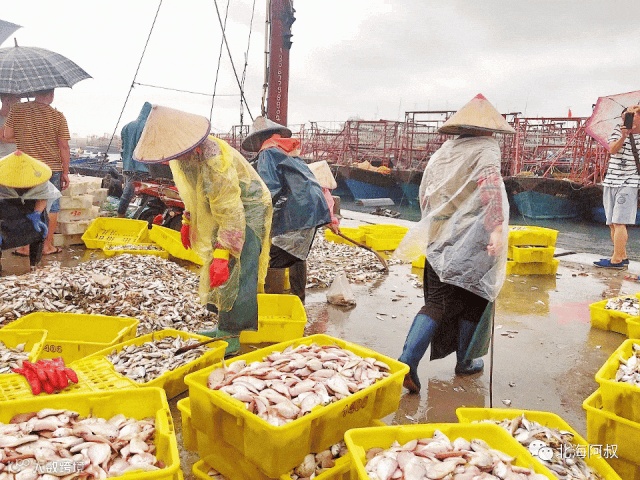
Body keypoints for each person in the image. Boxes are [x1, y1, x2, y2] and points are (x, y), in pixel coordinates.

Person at [395, 94, 512, 393]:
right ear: (489, 128)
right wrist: (497, 229)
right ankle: (465, 361)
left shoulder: (444, 151)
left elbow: (426, 193)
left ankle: (407, 360)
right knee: (474, 299)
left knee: (437, 302)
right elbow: (490, 186)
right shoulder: (487, 148)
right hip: (474, 239)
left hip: (439, 236)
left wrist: (434, 225)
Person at [133, 105, 273, 354]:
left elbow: (231, 210)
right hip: (225, 208)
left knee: (237, 268)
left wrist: (224, 252)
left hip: (248, 208)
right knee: (217, 267)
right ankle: (222, 326)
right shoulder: (184, 158)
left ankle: (232, 335)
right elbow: (193, 192)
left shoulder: (214, 160)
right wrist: (187, 220)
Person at [243, 116, 333, 304]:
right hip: (312, 209)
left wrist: (254, 216)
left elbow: (270, 189)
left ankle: (268, 302)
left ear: (260, 139)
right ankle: (298, 301)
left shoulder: (268, 153)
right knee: (297, 254)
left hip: (298, 211)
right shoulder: (287, 152)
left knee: (268, 258)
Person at [4, 89, 70, 256]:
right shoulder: (58, 116)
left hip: (25, 167)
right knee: (51, 206)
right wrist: (65, 172)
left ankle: (25, 246)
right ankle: (46, 246)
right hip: (50, 167)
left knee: (25, 204)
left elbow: (7, 135)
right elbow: (63, 146)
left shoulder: (17, 110)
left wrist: (25, 136)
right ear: (51, 95)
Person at [593, 105, 640, 269]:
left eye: (632, 115)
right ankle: (622, 255)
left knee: (620, 222)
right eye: (626, 115)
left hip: (629, 182)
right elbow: (612, 149)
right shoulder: (617, 130)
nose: (627, 117)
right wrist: (624, 136)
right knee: (612, 222)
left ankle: (616, 259)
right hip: (611, 180)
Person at [0, 150, 61, 273]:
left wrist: (37, 215)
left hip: (31, 211)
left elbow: (43, 197)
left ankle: (34, 265)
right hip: (6, 211)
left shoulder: (39, 178)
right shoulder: (2, 177)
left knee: (38, 232)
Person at [117, 102, 152, 218]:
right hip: (143, 167)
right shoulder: (149, 128)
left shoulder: (127, 127)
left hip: (128, 165)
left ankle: (122, 213)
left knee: (128, 192)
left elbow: (123, 147)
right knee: (145, 192)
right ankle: (122, 215)